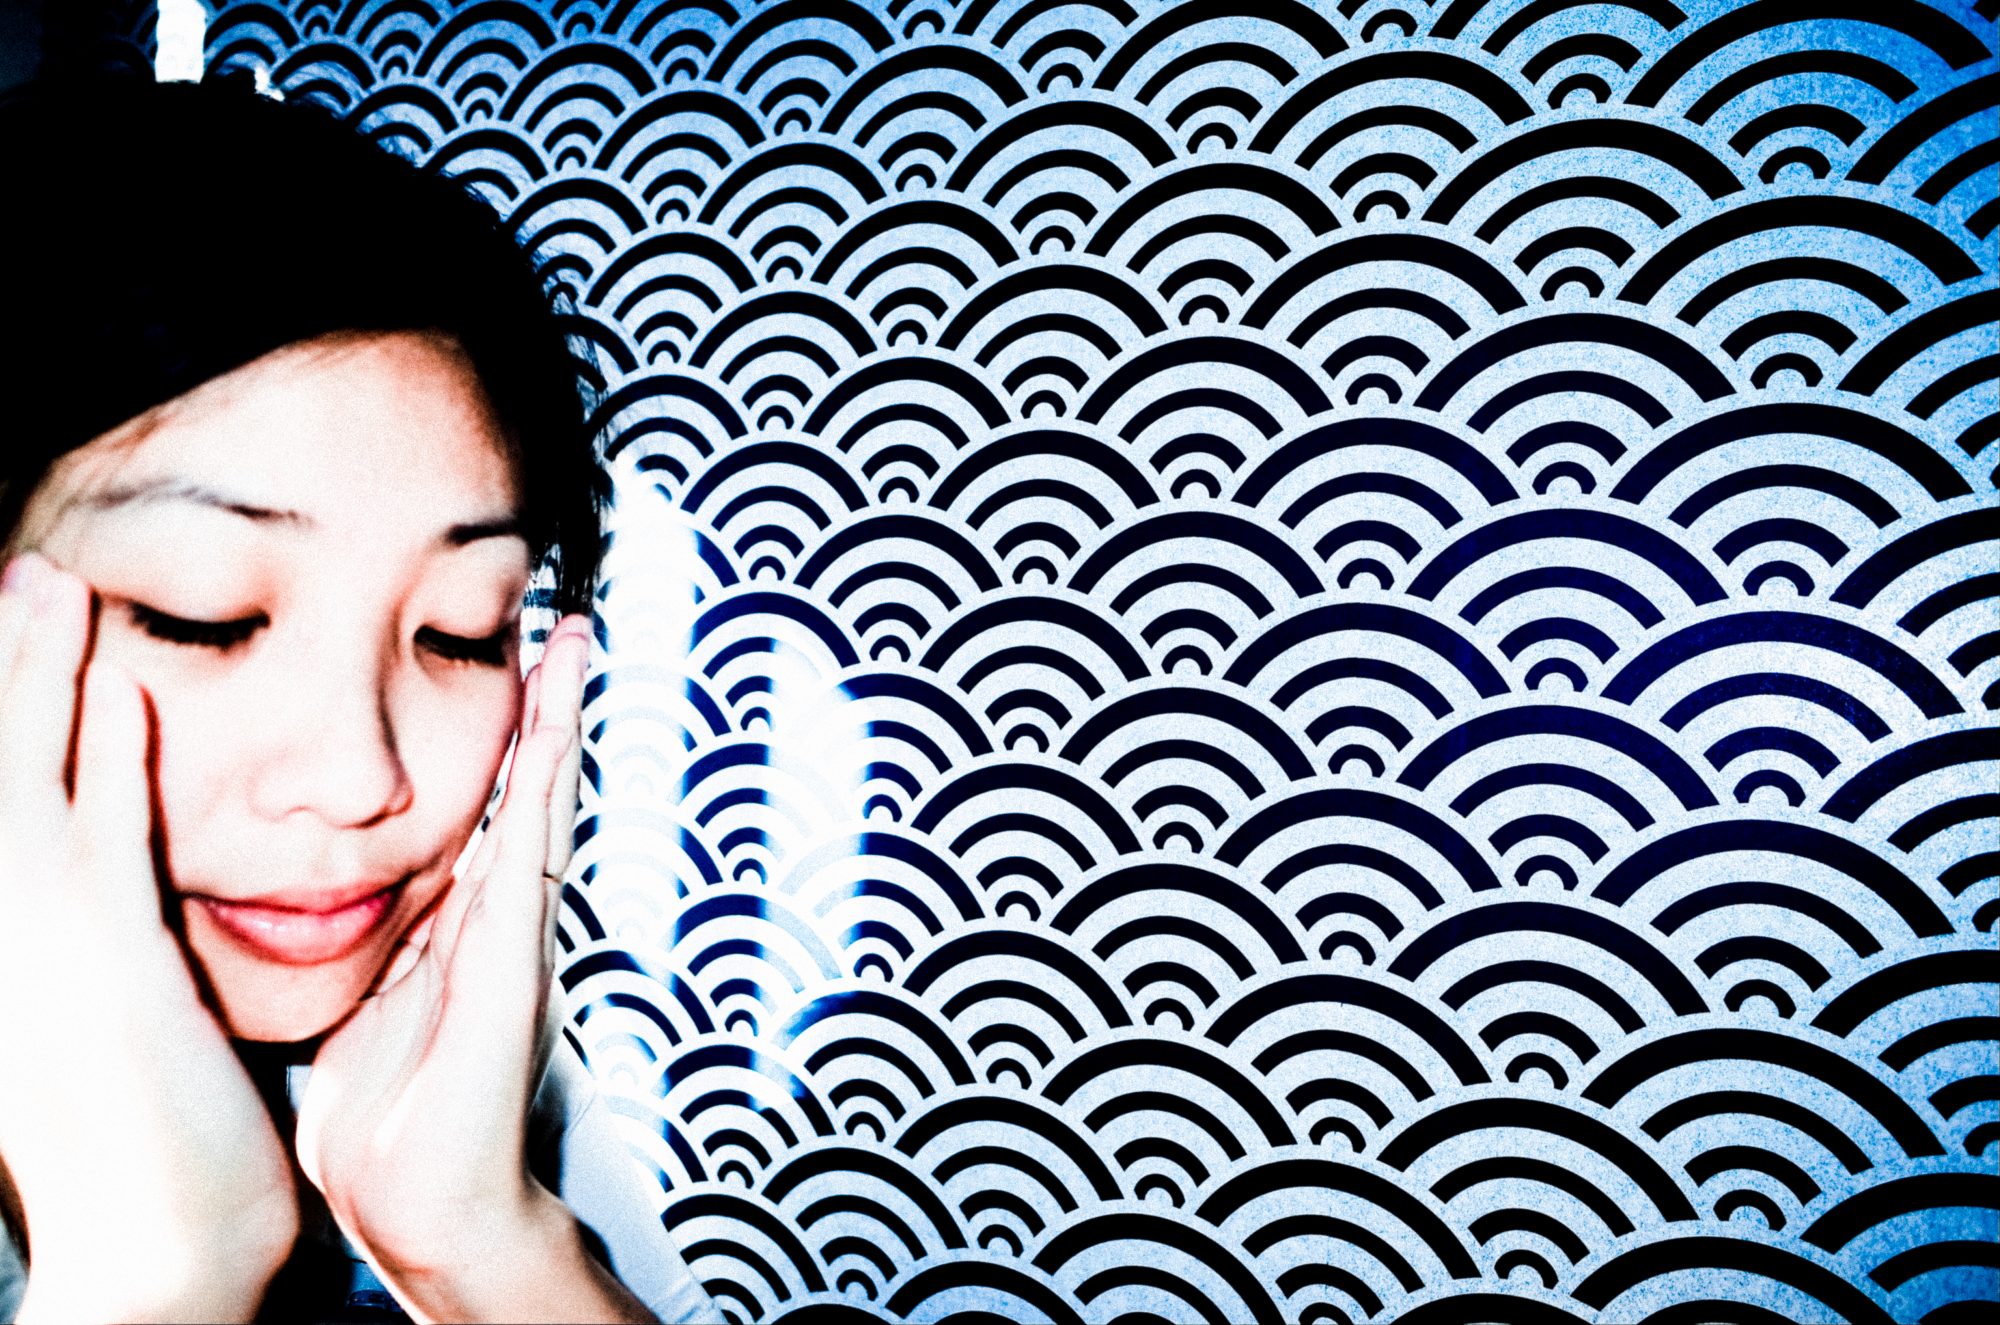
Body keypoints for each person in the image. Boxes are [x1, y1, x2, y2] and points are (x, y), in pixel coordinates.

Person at [0, 74, 713, 1323]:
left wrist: (488, 1250)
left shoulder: (444, 1128)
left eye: (459, 630)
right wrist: (159, 1280)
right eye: (202, 613)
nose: (362, 774)